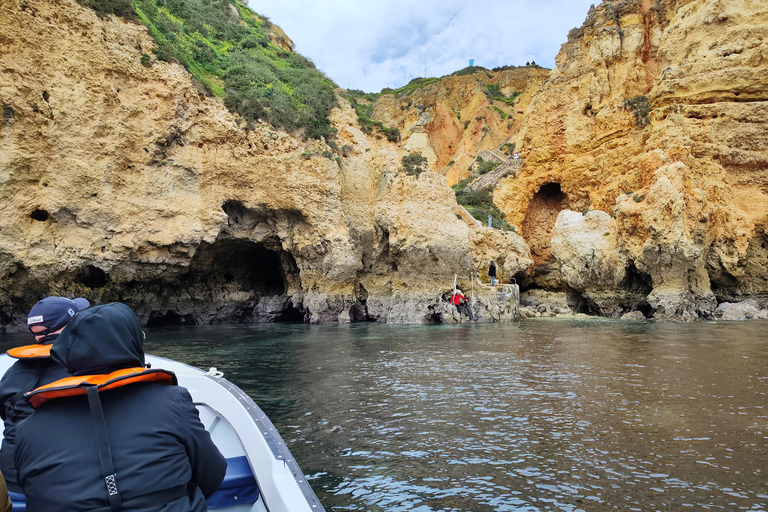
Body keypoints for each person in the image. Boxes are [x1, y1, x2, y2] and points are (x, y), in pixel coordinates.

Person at [15, 302, 226, 511]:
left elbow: (33, 493)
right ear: (133, 342)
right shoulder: (172, 402)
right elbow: (212, 475)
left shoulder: (28, 427)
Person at [0, 296, 90, 495]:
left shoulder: (11, 374)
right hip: (65, 484)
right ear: (73, 324)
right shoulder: (88, 367)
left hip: (12, 479)